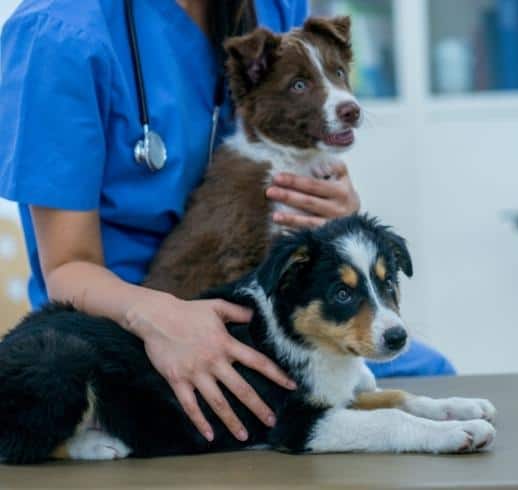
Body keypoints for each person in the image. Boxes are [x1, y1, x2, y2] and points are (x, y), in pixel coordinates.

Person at [0, 0, 454, 444]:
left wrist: (337, 208)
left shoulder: (272, 8)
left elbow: (295, 133)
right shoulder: (59, 32)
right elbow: (66, 268)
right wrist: (166, 319)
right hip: (129, 343)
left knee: (429, 373)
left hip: (269, 320)